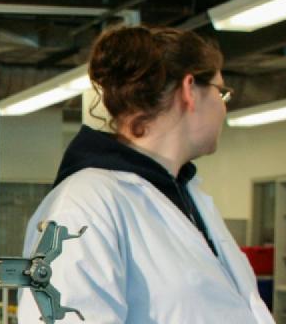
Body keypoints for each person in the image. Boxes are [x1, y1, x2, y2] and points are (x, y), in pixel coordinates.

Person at [16, 26, 272, 323]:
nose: (223, 108)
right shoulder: (84, 205)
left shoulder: (185, 195)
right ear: (189, 90)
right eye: (221, 92)